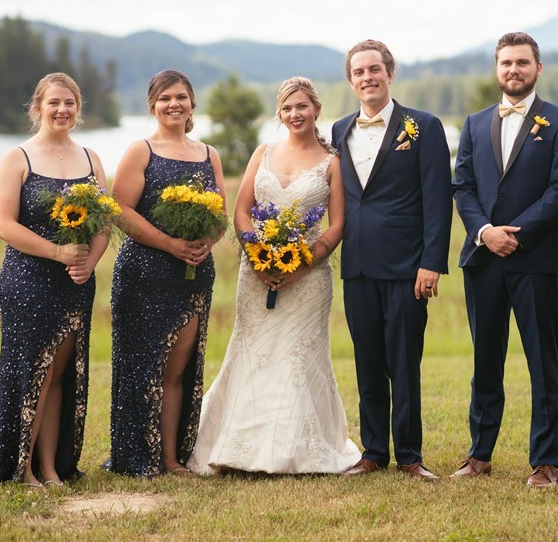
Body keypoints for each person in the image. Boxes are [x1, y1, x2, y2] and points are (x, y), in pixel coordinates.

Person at [187, 77, 360, 475]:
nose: (295, 114)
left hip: (309, 278)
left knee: (297, 356)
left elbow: (337, 225)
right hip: (256, 272)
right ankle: (237, 447)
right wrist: (258, 256)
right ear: (279, 113)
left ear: (316, 109)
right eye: (287, 108)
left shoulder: (332, 162)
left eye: (302, 106)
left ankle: (293, 449)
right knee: (252, 352)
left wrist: (302, 264)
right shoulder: (263, 153)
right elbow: (241, 211)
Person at [0, 72, 109, 488]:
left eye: (69, 103)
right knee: (32, 371)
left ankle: (50, 467)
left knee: (60, 372)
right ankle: (21, 467)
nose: (62, 110)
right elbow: (3, 225)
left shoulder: (91, 159)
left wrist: (89, 262)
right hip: (28, 279)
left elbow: (104, 221)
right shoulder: (18, 158)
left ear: (78, 109)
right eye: (54, 102)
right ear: (38, 107)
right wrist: (58, 253)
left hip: (76, 280)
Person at [451, 32, 558, 487]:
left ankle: (545, 461)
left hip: (536, 260)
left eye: (522, 62)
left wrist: (515, 234)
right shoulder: (475, 123)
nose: (514, 70)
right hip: (483, 258)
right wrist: (485, 232)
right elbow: (462, 187)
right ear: (497, 69)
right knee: (485, 361)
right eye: (506, 62)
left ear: (538, 68)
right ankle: (479, 454)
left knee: (543, 362)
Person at [331, 40, 452, 482]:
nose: (368, 77)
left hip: (406, 266)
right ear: (351, 81)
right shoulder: (339, 130)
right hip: (358, 264)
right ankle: (374, 452)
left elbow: (438, 199)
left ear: (390, 73)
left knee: (404, 363)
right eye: (359, 72)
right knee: (367, 362)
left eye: (374, 69)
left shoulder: (424, 126)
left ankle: (410, 456)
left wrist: (431, 262)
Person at [107, 69, 227, 478]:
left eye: (180, 97)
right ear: (152, 105)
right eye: (164, 98)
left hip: (193, 273)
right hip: (144, 273)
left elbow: (220, 214)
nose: (173, 104)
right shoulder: (141, 151)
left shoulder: (209, 154)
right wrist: (169, 244)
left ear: (192, 103)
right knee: (142, 366)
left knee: (178, 368)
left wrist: (206, 242)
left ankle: (171, 458)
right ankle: (136, 455)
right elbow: (120, 210)